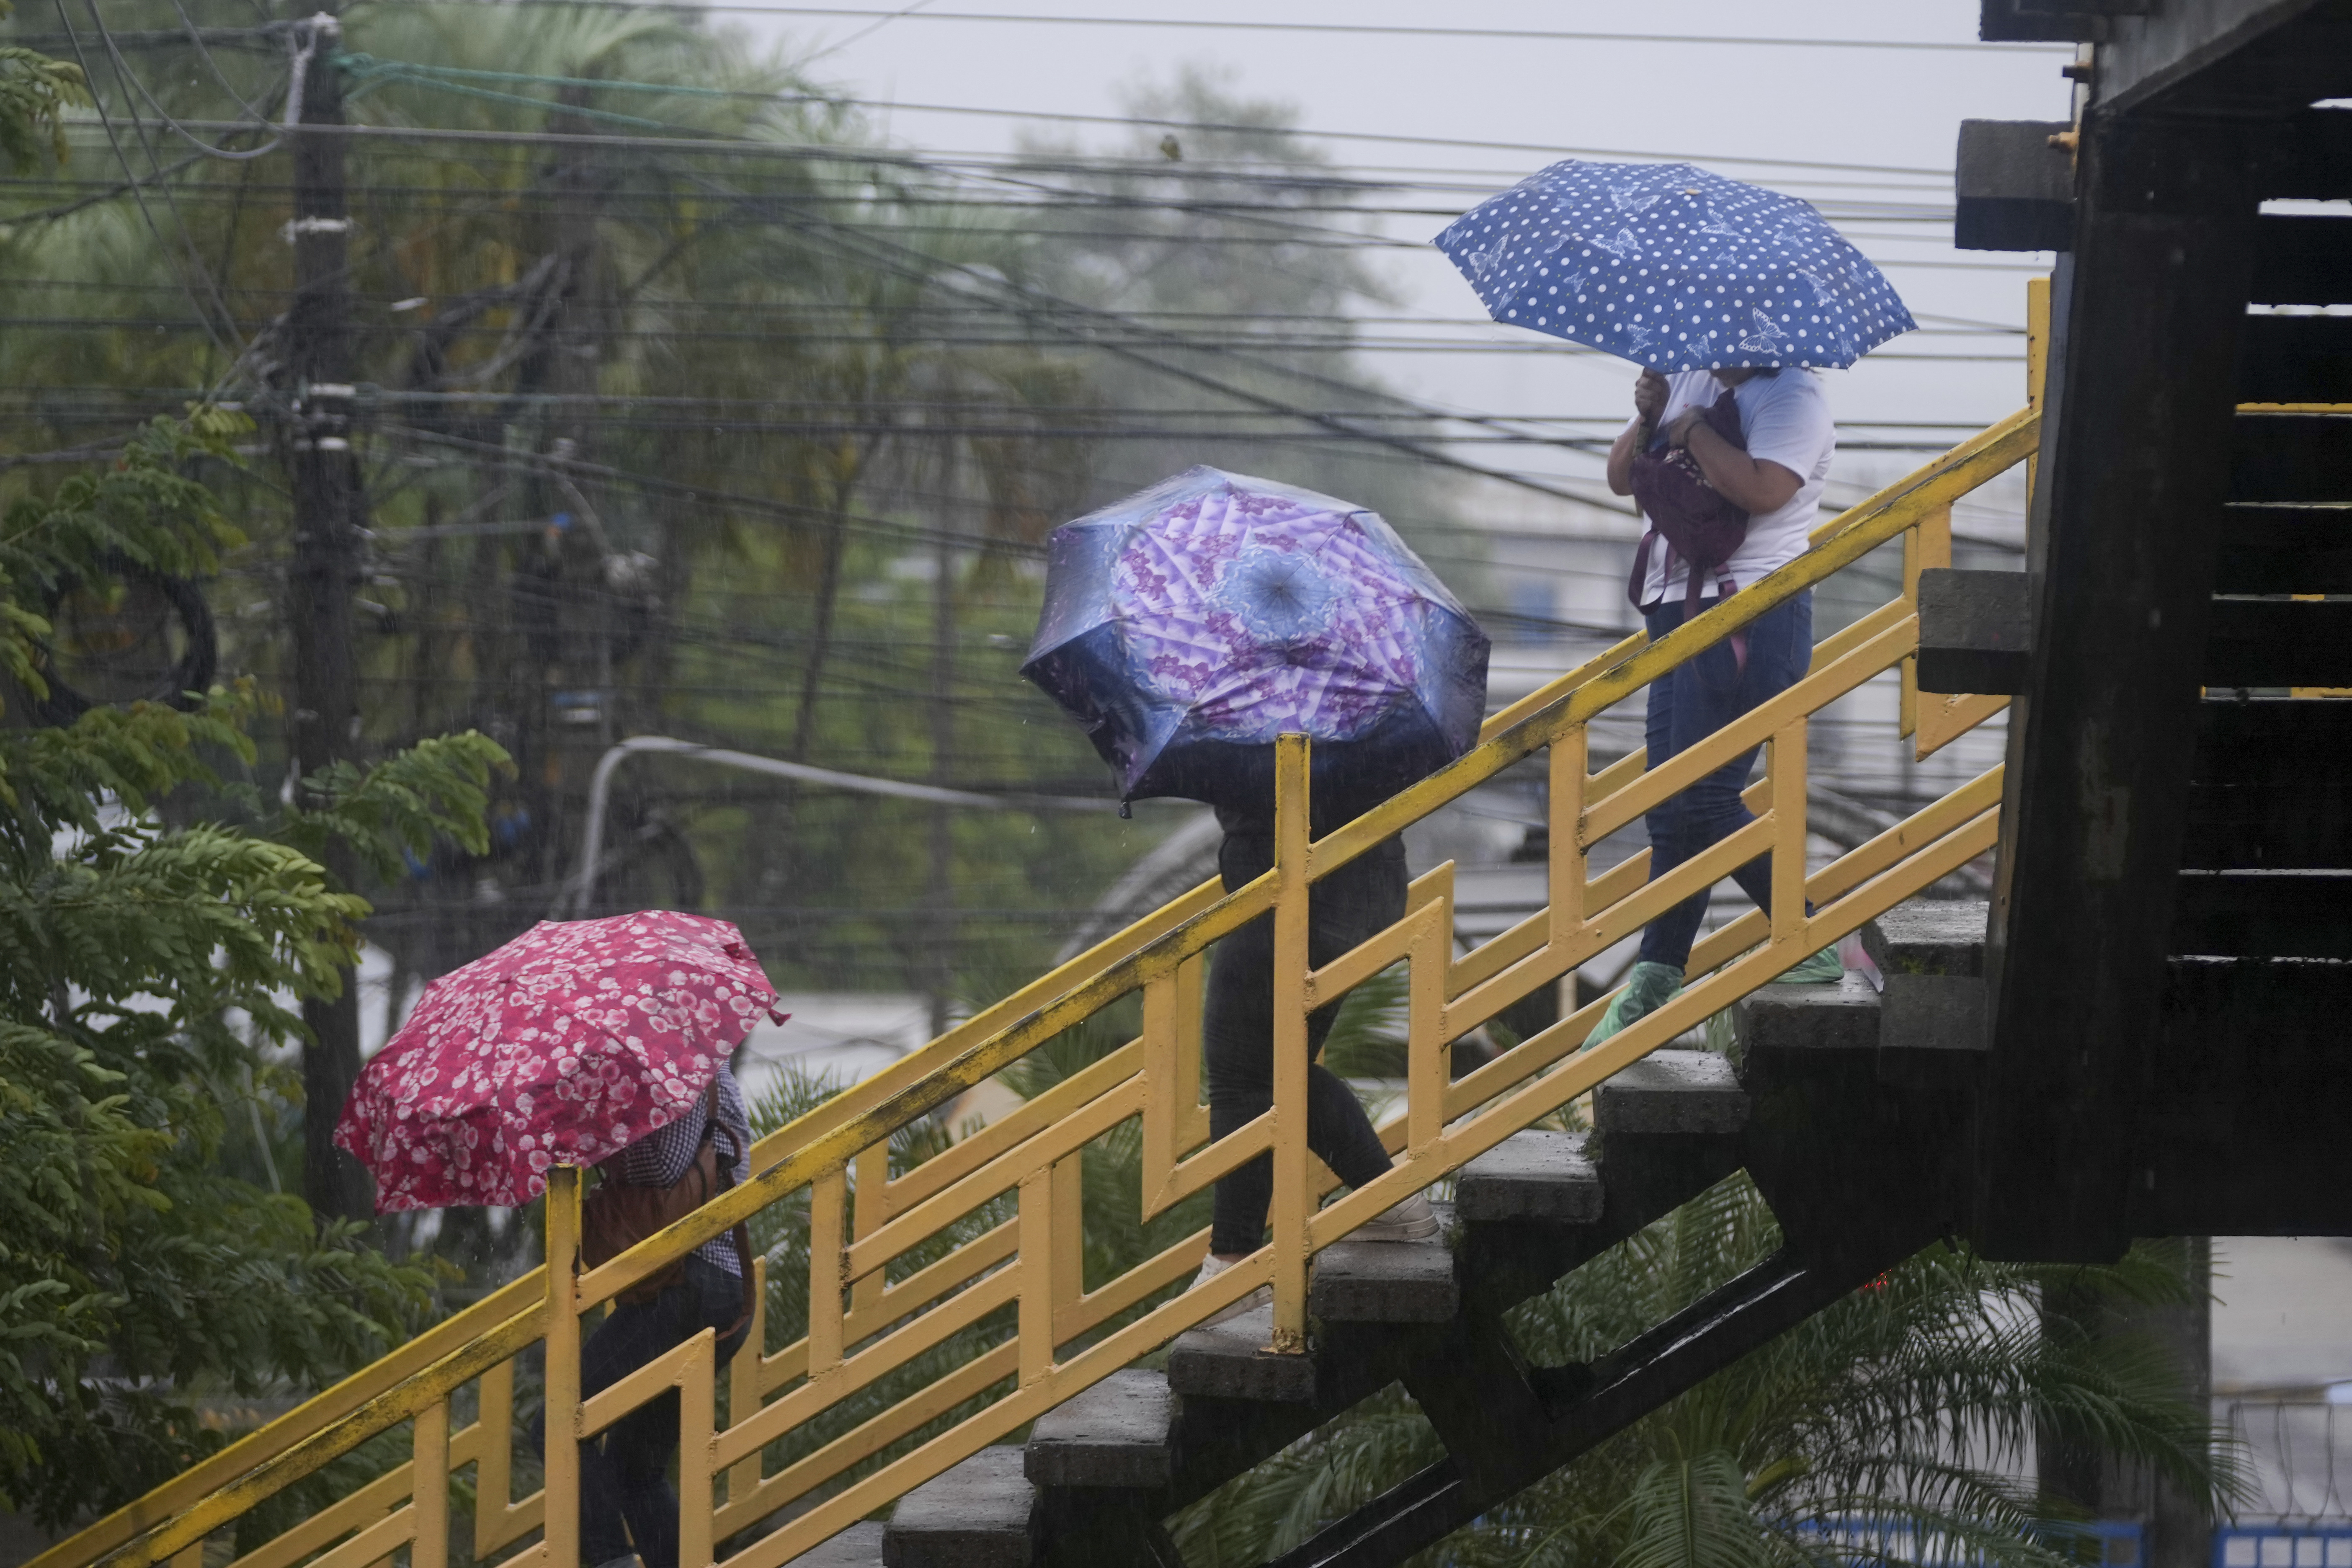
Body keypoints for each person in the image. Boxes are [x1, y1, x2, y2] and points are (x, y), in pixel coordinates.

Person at [1587, 364, 1844, 1046]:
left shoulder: (1793, 394)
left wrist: (1694, 430)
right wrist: (1650, 415)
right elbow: (1621, 478)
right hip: (1675, 610)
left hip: (1750, 611)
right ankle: (1653, 980)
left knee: (1703, 796)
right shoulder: (1689, 378)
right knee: (1669, 806)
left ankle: (1810, 932)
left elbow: (1764, 489)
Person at [1186, 774, 1440, 1326]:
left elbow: (1271, 781)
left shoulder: (1279, 699)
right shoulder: (1327, 697)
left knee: (1241, 1067)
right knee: (1271, 1068)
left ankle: (1235, 1261)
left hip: (1311, 881)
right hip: (1345, 876)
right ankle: (1389, 1204)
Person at [565, 1064, 754, 1568]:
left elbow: (664, 1168)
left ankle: (610, 1560)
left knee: (560, 1417)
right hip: (692, 1286)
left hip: (690, 1286)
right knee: (635, 1470)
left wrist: (588, 1137)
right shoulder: (664, 1064)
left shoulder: (679, 1068)